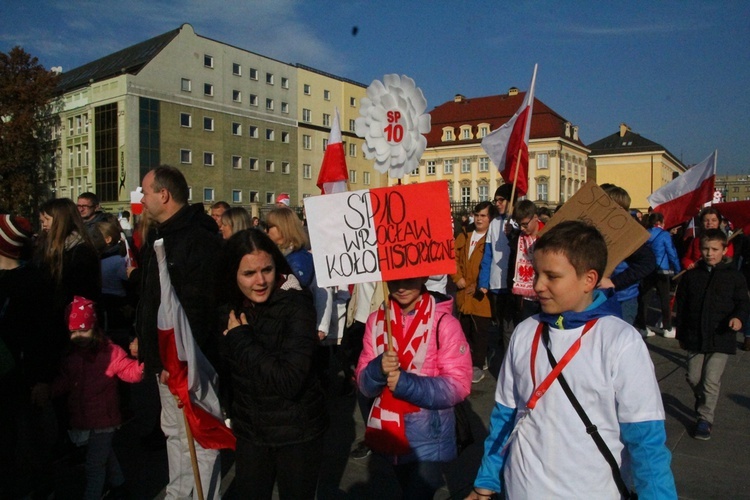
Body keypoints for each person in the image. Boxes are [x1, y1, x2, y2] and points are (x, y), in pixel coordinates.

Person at [469, 221, 676, 499]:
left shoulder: (620, 341)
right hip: (522, 487)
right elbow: (505, 416)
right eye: (536, 273)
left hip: (592, 490)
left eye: (552, 276)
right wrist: (487, 480)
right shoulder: (525, 331)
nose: (538, 285)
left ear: (589, 280)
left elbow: (646, 441)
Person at [131, 165, 224, 499]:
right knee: (174, 431)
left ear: (164, 194)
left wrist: (182, 358)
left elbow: (198, 306)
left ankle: (199, 494)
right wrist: (144, 336)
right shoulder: (163, 235)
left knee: (199, 434)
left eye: (145, 192)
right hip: (165, 357)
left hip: (188, 359)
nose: (141, 199)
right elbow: (155, 298)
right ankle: (179, 492)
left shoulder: (195, 239)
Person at [220, 229, 328, 499]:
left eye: (267, 270)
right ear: (233, 274)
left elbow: (289, 380)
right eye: (249, 274)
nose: (260, 281)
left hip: (295, 433)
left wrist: (241, 340)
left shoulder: (296, 305)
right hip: (251, 431)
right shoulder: (232, 306)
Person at [357, 276, 472, 498]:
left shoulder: (444, 322)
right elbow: (364, 385)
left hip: (430, 437)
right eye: (393, 281)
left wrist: (406, 384)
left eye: (408, 281)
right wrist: (376, 369)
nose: (400, 288)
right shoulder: (376, 321)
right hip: (391, 433)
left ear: (423, 277)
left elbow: (458, 385)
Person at [52, 296, 143, 500]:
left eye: (83, 330)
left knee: (94, 465)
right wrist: (51, 389)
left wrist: (142, 363)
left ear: (94, 327)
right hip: (84, 420)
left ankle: (92, 496)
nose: (79, 336)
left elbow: (129, 371)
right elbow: (67, 380)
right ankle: (119, 484)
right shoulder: (72, 357)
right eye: (73, 332)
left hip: (103, 420)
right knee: (104, 455)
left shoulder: (110, 353)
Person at [0, 215, 57, 498]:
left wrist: (43, 378)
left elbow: (46, 335)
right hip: (14, 374)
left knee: (25, 442)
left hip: (23, 376)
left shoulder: (33, 282)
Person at [675, 229, 749, 440]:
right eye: (706, 249)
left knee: (711, 380)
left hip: (721, 336)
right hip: (695, 336)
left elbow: (743, 303)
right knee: (693, 376)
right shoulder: (692, 275)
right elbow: (682, 305)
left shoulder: (734, 276)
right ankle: (704, 400)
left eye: (715, 249)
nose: (710, 253)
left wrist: (739, 318)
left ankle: (705, 419)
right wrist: (681, 333)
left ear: (724, 249)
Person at [37, 198, 102, 341]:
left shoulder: (80, 251)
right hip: (52, 320)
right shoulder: (48, 247)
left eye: (47, 220)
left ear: (61, 219)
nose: (44, 225)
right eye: (42, 221)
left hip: (74, 324)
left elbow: (83, 291)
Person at [451, 200, 495, 384]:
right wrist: (457, 277)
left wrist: (479, 284)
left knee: (481, 330)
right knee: (464, 329)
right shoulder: (465, 234)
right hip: (463, 291)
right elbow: (452, 257)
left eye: (483, 215)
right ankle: (466, 362)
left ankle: (478, 363)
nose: (479, 219)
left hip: (480, 294)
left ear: (490, 218)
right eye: (477, 215)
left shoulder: (492, 238)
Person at [478, 183, 516, 369]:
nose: (498, 203)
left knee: (513, 325)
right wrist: (484, 281)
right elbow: (488, 254)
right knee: (500, 324)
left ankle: (512, 360)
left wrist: (513, 234)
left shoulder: (517, 222)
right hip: (496, 282)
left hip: (515, 283)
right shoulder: (494, 224)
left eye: (501, 200)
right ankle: (504, 356)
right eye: (496, 200)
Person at [640, 212, 681, 338]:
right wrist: (678, 269)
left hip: (647, 270)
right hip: (662, 270)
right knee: (664, 299)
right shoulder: (664, 235)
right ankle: (667, 327)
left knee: (644, 299)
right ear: (662, 222)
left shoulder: (645, 233)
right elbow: (671, 253)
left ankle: (642, 326)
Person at [510, 199, 544, 323]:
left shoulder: (547, 235)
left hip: (545, 293)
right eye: (519, 225)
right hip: (525, 298)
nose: (522, 228)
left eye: (525, 224)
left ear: (535, 217)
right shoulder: (518, 238)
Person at [265, 207, 314, 288]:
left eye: (268, 227)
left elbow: (295, 294)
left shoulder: (297, 261)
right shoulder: (286, 254)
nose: (266, 231)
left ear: (283, 227)